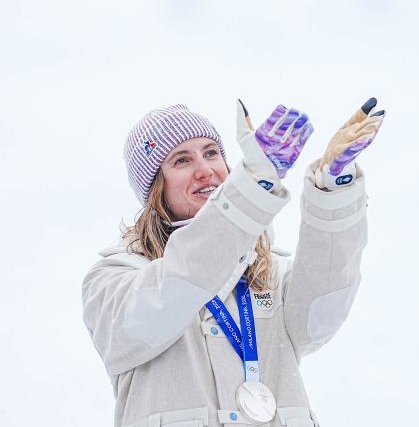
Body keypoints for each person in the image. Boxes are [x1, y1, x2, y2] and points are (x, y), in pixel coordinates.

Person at [82, 97, 386, 427]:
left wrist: (334, 190)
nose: (205, 170)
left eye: (212, 153)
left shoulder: (269, 273)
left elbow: (321, 316)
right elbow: (175, 289)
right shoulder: (114, 279)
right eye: (181, 160)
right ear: (155, 187)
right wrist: (250, 189)